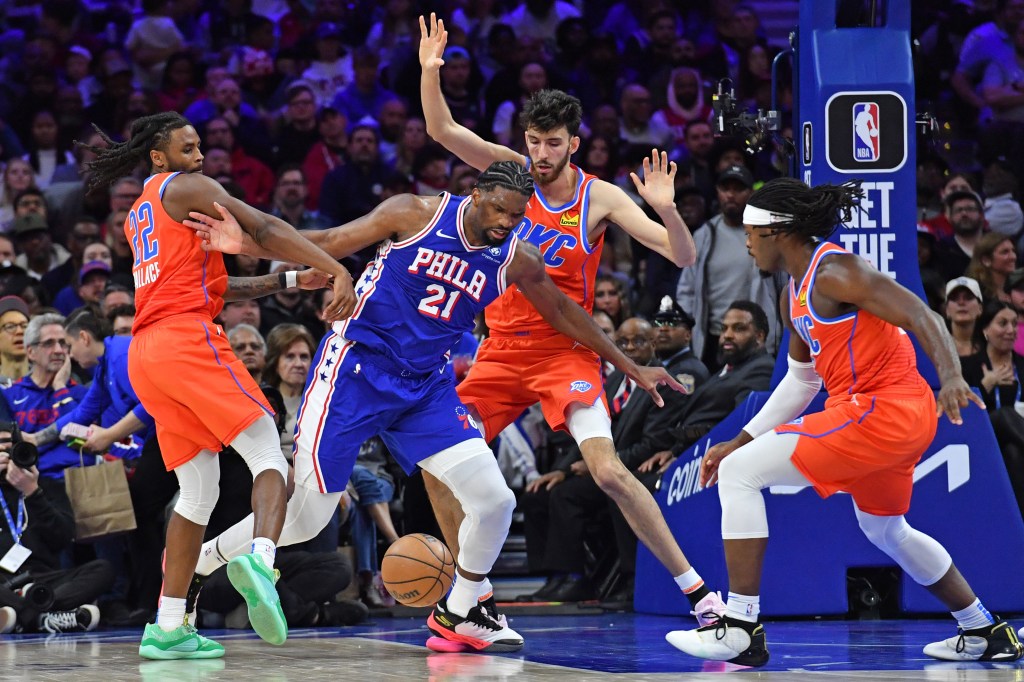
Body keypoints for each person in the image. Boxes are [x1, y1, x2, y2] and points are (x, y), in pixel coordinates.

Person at [186, 160, 684, 652]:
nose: (505, 224)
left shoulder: (518, 257)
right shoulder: (414, 212)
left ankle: (464, 608)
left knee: (496, 502)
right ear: (475, 194)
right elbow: (332, 241)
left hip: (424, 388)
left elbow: (562, 311)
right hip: (357, 371)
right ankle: (200, 563)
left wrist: (629, 365)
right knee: (312, 516)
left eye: (516, 216)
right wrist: (247, 243)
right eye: (498, 211)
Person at [417, 14, 722, 632]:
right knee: (435, 460)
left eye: (553, 143)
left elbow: (683, 255)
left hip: (567, 352)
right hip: (499, 350)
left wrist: (667, 210)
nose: (541, 154)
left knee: (609, 471)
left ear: (573, 143)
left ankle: (700, 595)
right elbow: (441, 127)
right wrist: (431, 69)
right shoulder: (510, 174)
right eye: (533, 141)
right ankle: (468, 601)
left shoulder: (601, 198)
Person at [665, 177, 1023, 666]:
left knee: (738, 475)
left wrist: (953, 376)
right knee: (885, 529)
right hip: (892, 415)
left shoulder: (835, 269)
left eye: (750, 232)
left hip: (884, 408)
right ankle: (983, 629)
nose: (746, 243)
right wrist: (741, 438)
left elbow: (922, 314)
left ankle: (740, 627)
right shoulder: (796, 293)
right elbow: (800, 384)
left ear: (776, 230)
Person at [77, 111, 357, 659]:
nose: (200, 155)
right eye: (188, 147)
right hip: (187, 340)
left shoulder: (141, 213)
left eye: (200, 146)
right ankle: (260, 557)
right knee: (268, 452)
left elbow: (218, 283)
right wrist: (335, 267)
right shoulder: (189, 188)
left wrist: (293, 279)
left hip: (147, 353)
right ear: (159, 156)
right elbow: (265, 229)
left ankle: (168, 625)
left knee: (198, 490)